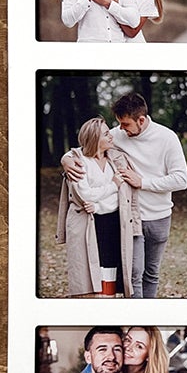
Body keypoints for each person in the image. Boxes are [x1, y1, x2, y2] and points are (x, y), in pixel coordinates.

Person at [106, 89, 187, 299]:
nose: (121, 129)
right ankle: (134, 318)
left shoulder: (167, 138)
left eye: (126, 124)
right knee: (133, 275)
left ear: (141, 120)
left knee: (151, 273)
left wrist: (142, 182)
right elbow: (87, 146)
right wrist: (67, 159)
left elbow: (181, 179)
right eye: (119, 124)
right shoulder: (117, 134)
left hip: (160, 217)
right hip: (132, 217)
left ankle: (146, 320)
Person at [58, 118, 124, 295]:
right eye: (106, 134)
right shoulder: (79, 162)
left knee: (109, 267)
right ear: (95, 138)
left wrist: (98, 206)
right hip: (86, 222)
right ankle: (90, 314)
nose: (111, 136)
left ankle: (108, 307)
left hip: (110, 221)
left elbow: (119, 197)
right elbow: (85, 194)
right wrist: (112, 186)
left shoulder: (113, 159)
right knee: (87, 270)